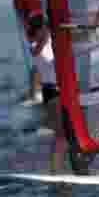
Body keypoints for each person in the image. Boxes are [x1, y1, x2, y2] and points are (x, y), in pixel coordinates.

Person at [25, 10, 65, 173]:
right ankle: (55, 173)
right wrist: (44, 37)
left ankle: (67, 167)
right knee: (60, 135)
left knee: (65, 133)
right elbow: (36, 52)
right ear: (40, 29)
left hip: (65, 90)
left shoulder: (53, 41)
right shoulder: (35, 46)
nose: (48, 28)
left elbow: (83, 35)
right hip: (52, 93)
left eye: (48, 26)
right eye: (45, 26)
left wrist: (98, 17)